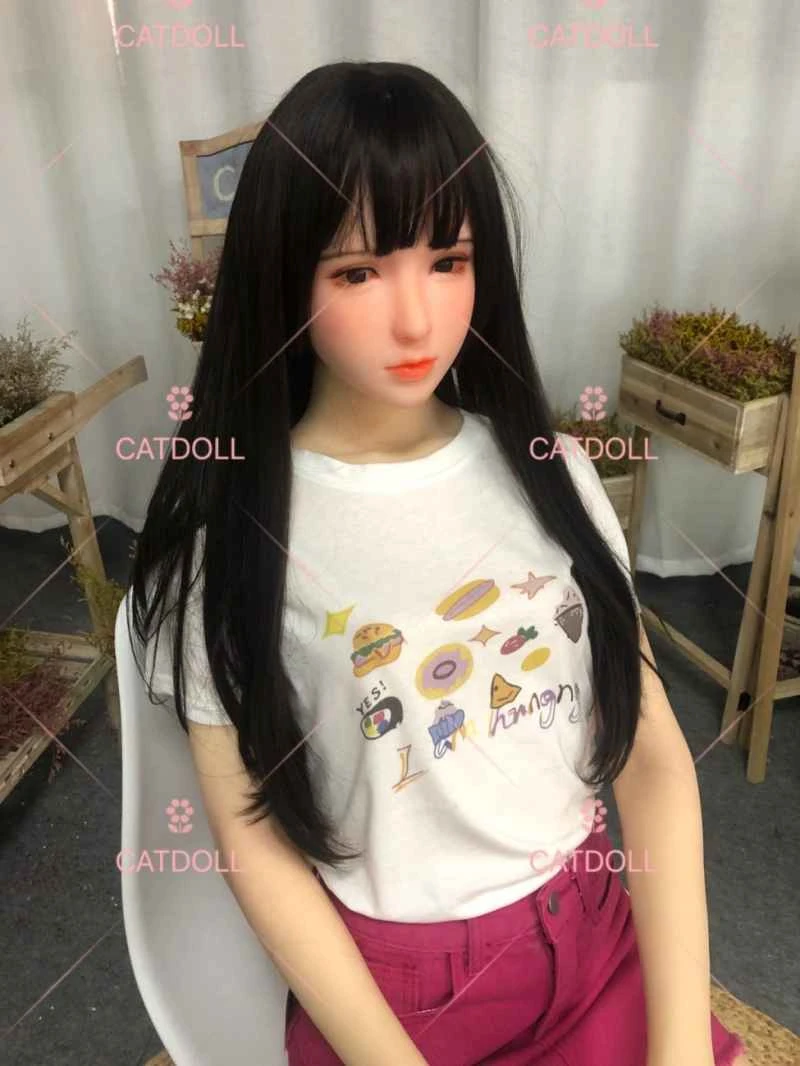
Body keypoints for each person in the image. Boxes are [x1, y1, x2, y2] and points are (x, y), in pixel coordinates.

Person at [128, 61, 748, 1066]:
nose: (416, 321)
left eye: (448, 260)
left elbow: (650, 758)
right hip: (399, 1005)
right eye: (357, 273)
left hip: (595, 936)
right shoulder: (235, 540)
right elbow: (253, 842)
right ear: (284, 278)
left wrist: (676, 1047)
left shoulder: (552, 470)